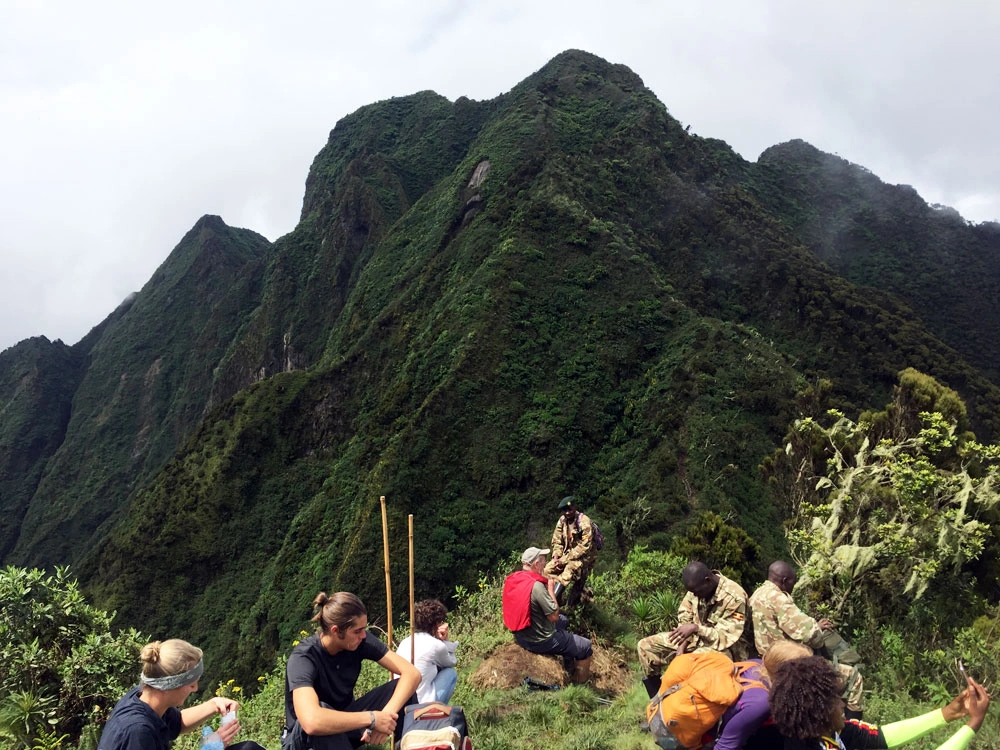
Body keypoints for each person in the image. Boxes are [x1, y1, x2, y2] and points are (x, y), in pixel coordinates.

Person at [282, 591, 421, 750]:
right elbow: (311, 721)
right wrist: (372, 718)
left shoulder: (359, 641)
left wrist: (386, 716)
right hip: (305, 741)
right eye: (357, 631)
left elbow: (412, 674)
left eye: (364, 629)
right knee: (323, 711)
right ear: (335, 631)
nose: (363, 635)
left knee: (401, 690)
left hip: (346, 726)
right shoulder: (304, 658)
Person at [769, 656, 990, 750]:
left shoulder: (826, 732)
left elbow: (879, 738)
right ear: (820, 712)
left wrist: (948, 713)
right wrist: (973, 725)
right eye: (836, 699)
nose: (843, 704)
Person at [97, 638, 260, 750]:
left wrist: (213, 705)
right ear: (168, 686)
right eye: (191, 684)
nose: (195, 689)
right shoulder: (137, 732)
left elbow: (178, 723)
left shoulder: (144, 698)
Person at [749, 561, 864, 715]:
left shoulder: (757, 594)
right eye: (792, 583)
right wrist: (817, 629)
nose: (793, 587)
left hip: (768, 659)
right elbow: (811, 635)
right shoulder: (779, 599)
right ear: (785, 581)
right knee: (853, 677)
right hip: (792, 664)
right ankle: (853, 729)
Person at [637, 561, 751, 697]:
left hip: (726, 647)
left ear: (708, 581)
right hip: (695, 640)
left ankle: (687, 701)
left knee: (689, 663)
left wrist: (697, 629)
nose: (694, 596)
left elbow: (726, 637)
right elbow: (685, 615)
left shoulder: (734, 596)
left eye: (696, 592)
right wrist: (682, 643)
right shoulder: (696, 589)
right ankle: (658, 699)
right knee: (645, 647)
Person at [503, 546, 593, 683]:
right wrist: (550, 589)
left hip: (521, 636)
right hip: (539, 640)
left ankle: (568, 661)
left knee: (564, 621)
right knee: (585, 646)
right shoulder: (536, 586)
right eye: (543, 560)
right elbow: (553, 616)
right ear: (536, 564)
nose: (545, 563)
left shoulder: (515, 579)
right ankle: (581, 687)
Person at [395, 599, 458, 704]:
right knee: (450, 673)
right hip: (421, 703)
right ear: (436, 624)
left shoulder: (405, 642)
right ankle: (436, 713)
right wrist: (445, 640)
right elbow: (451, 662)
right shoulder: (435, 645)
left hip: (400, 702)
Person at [543, 496, 597, 608]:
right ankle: (554, 597)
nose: (567, 513)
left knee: (568, 571)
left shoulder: (584, 522)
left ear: (575, 507)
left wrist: (563, 560)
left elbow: (584, 547)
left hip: (584, 558)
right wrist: (556, 557)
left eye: (570, 509)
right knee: (547, 570)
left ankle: (552, 606)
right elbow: (557, 541)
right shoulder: (562, 521)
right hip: (566, 556)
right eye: (564, 510)